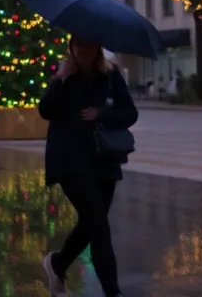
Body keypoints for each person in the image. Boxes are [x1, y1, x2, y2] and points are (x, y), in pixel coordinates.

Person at [39, 36, 137, 297]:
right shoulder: (64, 76)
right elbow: (45, 110)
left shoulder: (110, 75)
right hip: (69, 160)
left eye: (89, 44)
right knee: (99, 225)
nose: (83, 50)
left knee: (93, 222)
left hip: (103, 158)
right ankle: (113, 291)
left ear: (98, 48)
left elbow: (130, 113)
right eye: (77, 45)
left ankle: (58, 263)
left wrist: (101, 114)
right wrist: (58, 79)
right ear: (71, 47)